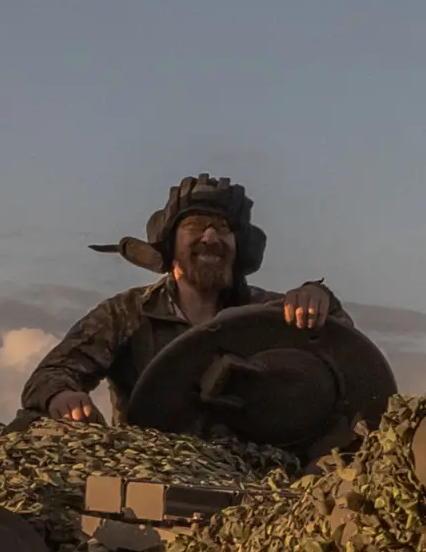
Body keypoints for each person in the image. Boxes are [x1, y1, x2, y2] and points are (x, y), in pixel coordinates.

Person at [20, 175, 340, 425]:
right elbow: (51, 374)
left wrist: (319, 298)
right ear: (170, 244)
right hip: (150, 471)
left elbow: (343, 355)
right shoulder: (128, 314)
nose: (210, 237)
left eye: (223, 229)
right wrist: (61, 396)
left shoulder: (265, 315)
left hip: (251, 474)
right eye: (195, 226)